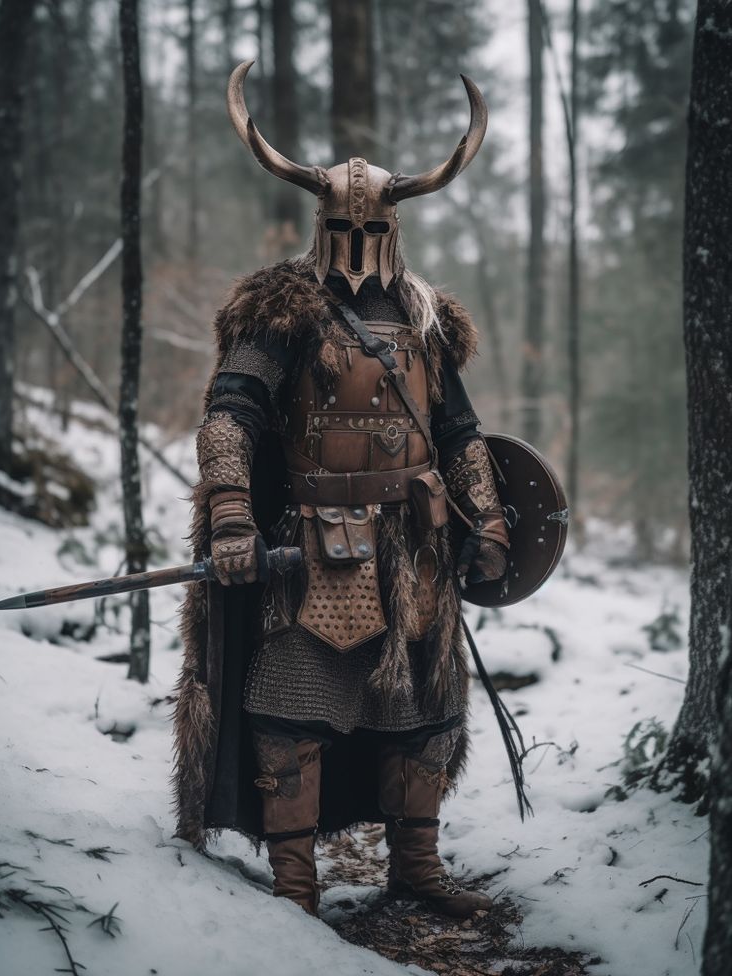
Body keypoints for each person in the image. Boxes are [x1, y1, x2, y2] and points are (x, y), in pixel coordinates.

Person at [172, 61, 509, 919]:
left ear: (393, 225)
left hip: (419, 546)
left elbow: (461, 434)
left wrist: (493, 519)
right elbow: (229, 417)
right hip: (315, 547)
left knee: (421, 710)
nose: (357, 237)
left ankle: (417, 873)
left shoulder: (427, 322)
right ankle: (294, 890)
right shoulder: (280, 310)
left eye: (372, 224)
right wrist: (232, 515)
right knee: (292, 707)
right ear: (320, 221)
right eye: (341, 222)